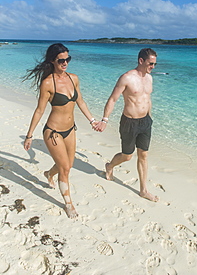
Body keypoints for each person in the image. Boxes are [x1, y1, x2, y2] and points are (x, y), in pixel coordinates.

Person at [23, 43, 98, 218]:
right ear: (52, 61)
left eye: (67, 59)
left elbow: (80, 102)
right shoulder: (48, 83)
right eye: (61, 60)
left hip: (70, 130)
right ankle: (68, 204)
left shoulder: (74, 78)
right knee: (65, 168)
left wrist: (93, 121)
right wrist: (29, 136)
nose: (65, 63)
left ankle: (49, 173)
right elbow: (39, 110)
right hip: (53, 132)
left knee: (68, 164)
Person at [95, 48, 159, 202]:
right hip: (129, 122)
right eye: (151, 64)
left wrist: (149, 118)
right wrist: (104, 120)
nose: (153, 67)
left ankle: (143, 190)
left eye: (155, 64)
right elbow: (112, 99)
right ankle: (110, 166)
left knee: (143, 155)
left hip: (145, 122)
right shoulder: (126, 78)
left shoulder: (149, 78)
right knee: (127, 156)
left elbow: (147, 99)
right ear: (141, 61)